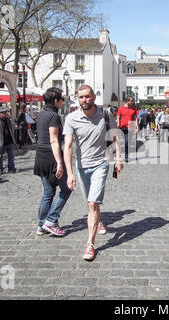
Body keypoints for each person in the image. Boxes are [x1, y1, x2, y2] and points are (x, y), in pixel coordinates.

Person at [63, 85, 123, 261]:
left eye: (87, 97)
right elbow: (67, 146)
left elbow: (115, 137)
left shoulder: (105, 114)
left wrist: (118, 159)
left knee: (92, 203)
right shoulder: (71, 118)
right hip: (82, 166)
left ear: (93, 97)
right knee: (90, 203)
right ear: (77, 98)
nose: (84, 100)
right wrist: (69, 173)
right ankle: (99, 221)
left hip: (101, 163)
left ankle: (90, 243)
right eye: (81, 97)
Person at [33, 88, 72, 237]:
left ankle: (41, 225)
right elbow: (54, 140)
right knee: (67, 188)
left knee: (48, 193)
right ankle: (50, 220)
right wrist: (60, 163)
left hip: (40, 156)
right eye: (62, 99)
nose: (63, 102)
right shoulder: (53, 116)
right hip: (51, 157)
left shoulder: (41, 114)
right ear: (56, 101)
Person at [0, 106, 17, 175]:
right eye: (4, 113)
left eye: (6, 112)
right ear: (0, 113)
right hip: (0, 142)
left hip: (9, 141)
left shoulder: (7, 119)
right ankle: (0, 170)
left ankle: (11, 168)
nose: (6, 114)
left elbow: (10, 129)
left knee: (11, 156)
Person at [117, 96, 138, 162]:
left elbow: (135, 118)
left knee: (128, 142)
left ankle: (126, 155)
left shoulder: (133, 108)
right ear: (127, 101)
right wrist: (118, 124)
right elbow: (118, 117)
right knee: (125, 142)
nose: (132, 102)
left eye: (132, 101)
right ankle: (124, 156)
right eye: (131, 101)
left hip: (131, 126)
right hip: (123, 127)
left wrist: (137, 127)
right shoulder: (121, 108)